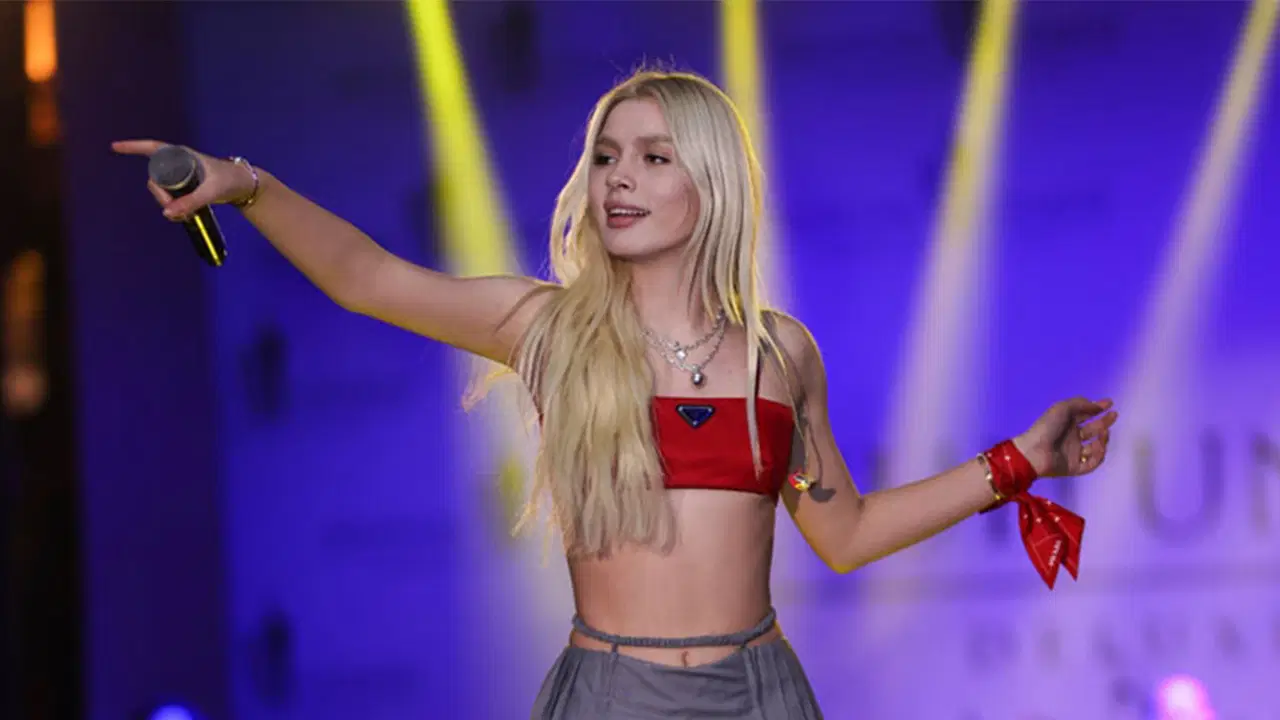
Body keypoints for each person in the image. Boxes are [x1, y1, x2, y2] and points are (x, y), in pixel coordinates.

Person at [114, 68, 1119, 719]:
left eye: (651, 157)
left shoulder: (780, 355)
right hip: (609, 693)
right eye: (603, 157)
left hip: (759, 691)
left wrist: (1017, 462)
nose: (616, 179)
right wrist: (244, 185)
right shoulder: (548, 329)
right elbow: (366, 279)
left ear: (710, 184)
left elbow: (846, 535)